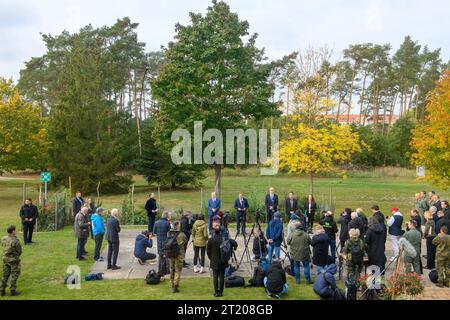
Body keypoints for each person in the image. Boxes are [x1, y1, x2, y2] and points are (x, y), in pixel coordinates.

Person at [207, 221, 228, 297]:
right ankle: (221, 292)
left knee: (215, 277)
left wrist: (211, 258)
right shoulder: (223, 240)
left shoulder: (211, 240)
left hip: (214, 260)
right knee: (222, 277)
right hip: (222, 260)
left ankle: (216, 292)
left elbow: (208, 251)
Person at [1, 226, 22, 297]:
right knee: (14, 274)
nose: (16, 231)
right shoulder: (15, 240)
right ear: (13, 231)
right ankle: (13, 290)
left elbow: (3, 246)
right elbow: (19, 251)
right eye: (15, 230)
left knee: (5, 275)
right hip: (14, 260)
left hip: (5, 259)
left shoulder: (3, 238)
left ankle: (2, 290)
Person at [167, 221, 188, 293]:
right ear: (178, 226)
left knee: (172, 269)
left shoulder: (169, 233)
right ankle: (175, 285)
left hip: (170, 254)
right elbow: (185, 241)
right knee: (178, 270)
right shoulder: (182, 234)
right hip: (179, 254)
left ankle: (172, 283)